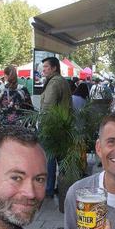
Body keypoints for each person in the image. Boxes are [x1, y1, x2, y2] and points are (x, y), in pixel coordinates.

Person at [39, 56, 72, 198]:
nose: (44, 69)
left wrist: (42, 125)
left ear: (54, 68)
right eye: (43, 67)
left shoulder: (54, 83)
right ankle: (64, 187)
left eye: (46, 67)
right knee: (61, 159)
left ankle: (48, 189)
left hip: (52, 127)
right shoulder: (61, 81)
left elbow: (48, 106)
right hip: (62, 126)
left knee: (50, 158)